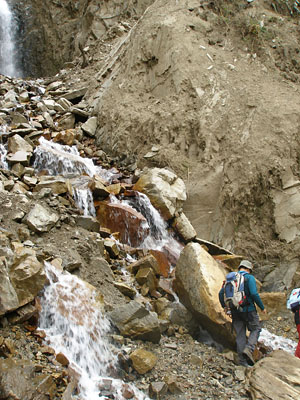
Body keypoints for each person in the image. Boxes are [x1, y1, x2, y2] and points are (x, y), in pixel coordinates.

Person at [219, 259, 267, 367]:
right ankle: (249, 349)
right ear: (249, 269)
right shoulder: (249, 278)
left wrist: (225, 307)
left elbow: (221, 293)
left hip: (235, 311)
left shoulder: (230, 278)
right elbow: (254, 294)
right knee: (256, 328)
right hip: (249, 310)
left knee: (240, 334)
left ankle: (242, 362)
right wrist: (262, 307)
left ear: (240, 267)